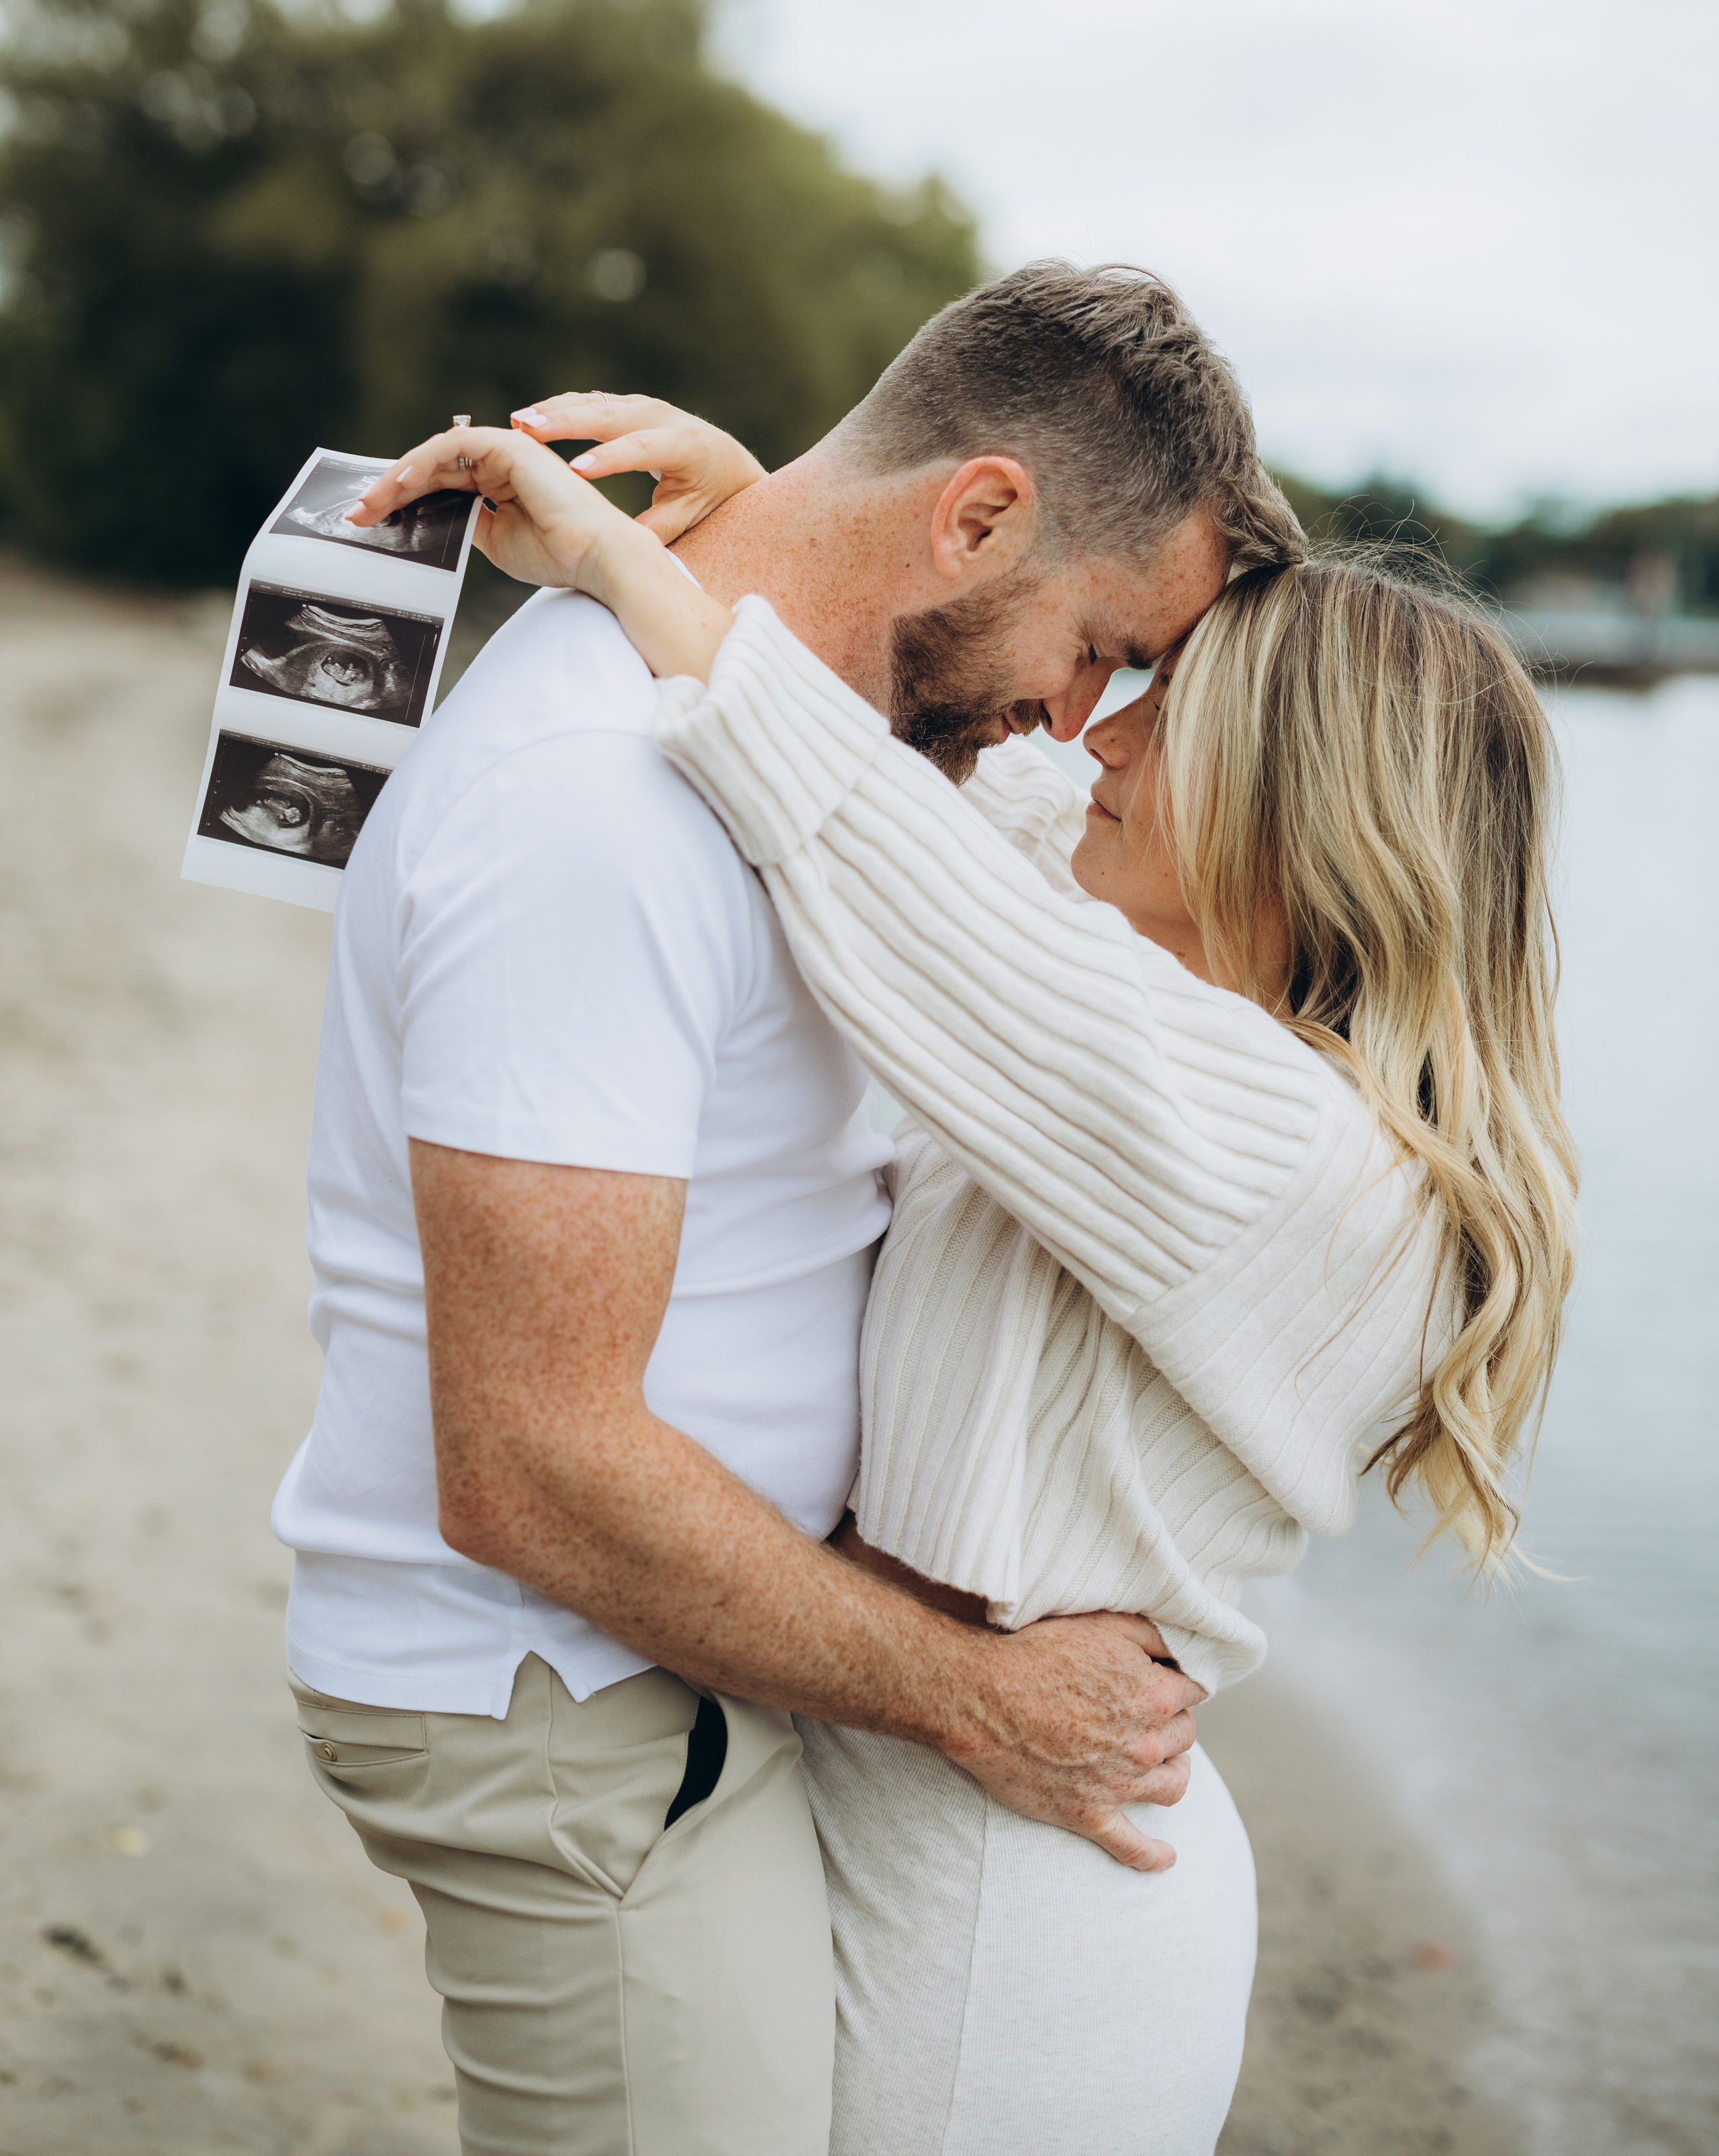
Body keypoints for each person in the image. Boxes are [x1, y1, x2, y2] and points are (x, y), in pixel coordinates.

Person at [364, 400, 1579, 2156]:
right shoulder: (1139, 995)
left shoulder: (1287, 1148)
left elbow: (877, 856)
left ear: (1300, 820)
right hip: (904, 1800)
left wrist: (625, 561)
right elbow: (950, 787)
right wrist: (798, 528)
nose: (1097, 740)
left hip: (1012, 1920)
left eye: (1162, 707)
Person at [275, 265, 1305, 2156]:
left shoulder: (793, 760)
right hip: (560, 1691)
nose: (1081, 723)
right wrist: (980, 1702)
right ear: (979, 514)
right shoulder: (601, 808)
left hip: (666, 1666)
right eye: (1101, 644)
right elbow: (529, 1461)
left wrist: (742, 527)